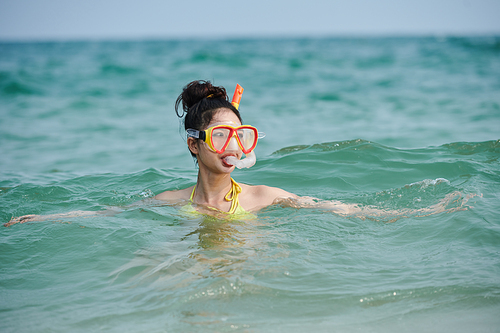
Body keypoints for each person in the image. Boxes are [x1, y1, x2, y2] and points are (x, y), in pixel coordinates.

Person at [5, 80, 469, 227]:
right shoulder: (171, 202)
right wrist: (42, 220)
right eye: (220, 136)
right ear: (194, 144)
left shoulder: (263, 196)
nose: (233, 147)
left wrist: (425, 212)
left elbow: (341, 209)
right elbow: (105, 213)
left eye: (240, 135)